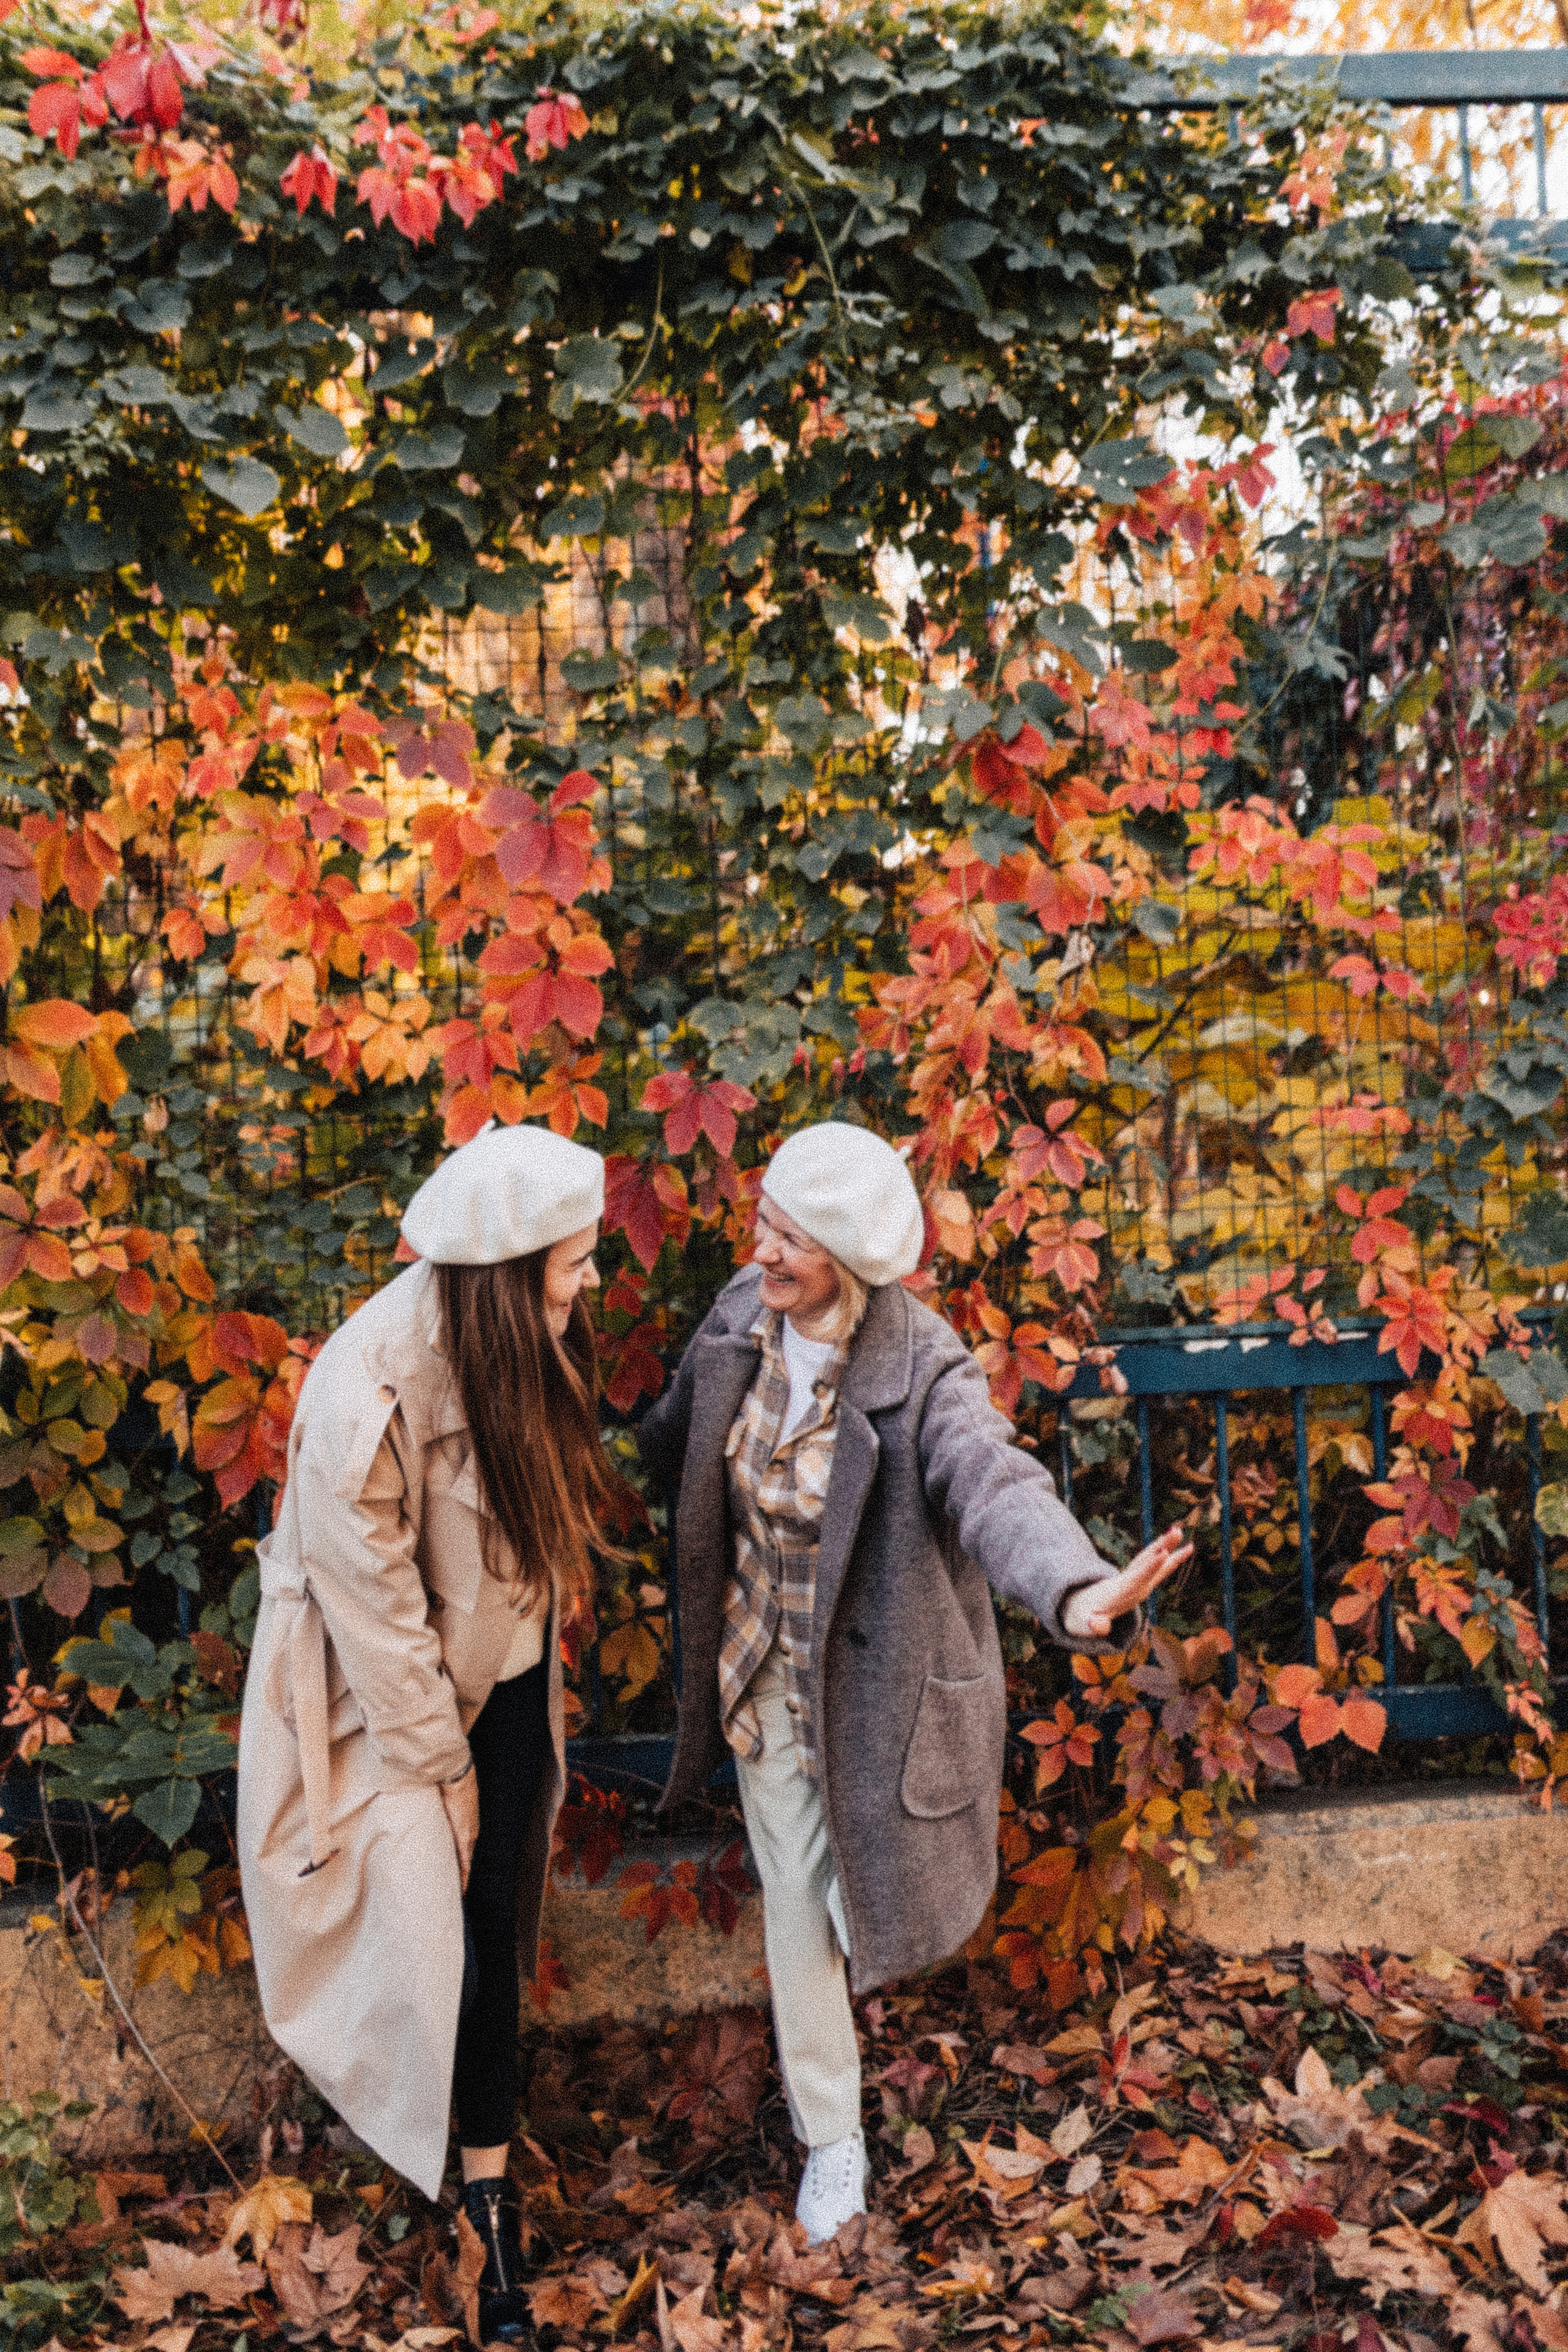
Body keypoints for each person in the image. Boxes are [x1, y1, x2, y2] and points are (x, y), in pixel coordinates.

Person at [639, 1121, 1189, 2245]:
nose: (762, 1252)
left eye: (788, 1238)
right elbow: (668, 1443)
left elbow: (994, 1482)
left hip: (880, 1688)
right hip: (762, 1670)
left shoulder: (920, 1363)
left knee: (860, 1896)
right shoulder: (741, 1316)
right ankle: (832, 2138)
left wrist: (1078, 1591)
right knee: (798, 1908)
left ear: (844, 1255)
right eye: (764, 1228)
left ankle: (856, 1984)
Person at [238, 1123, 619, 2343]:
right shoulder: (367, 1385)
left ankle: (490, 2194)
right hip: (375, 1698)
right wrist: (439, 1772)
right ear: (508, 1276)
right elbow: (379, 1619)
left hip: (494, 1676)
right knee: (421, 1919)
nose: (592, 1280)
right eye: (573, 1261)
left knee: (491, 1914)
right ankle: (437, 2171)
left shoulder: (518, 1343)